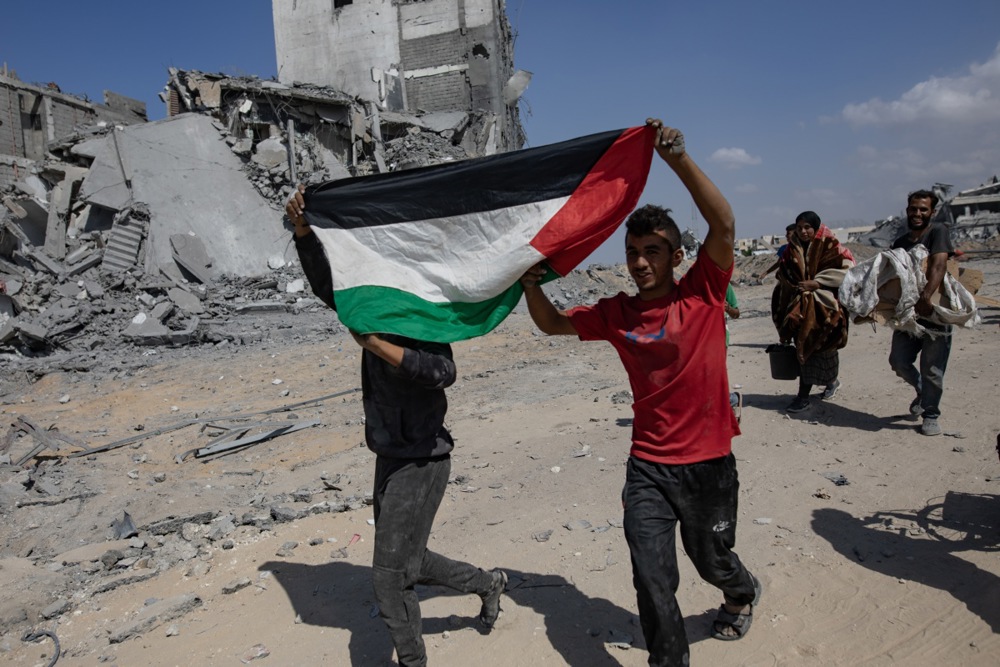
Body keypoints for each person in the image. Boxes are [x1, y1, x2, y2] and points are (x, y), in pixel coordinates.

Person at [520, 119, 760, 666]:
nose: (641, 262)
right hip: (648, 466)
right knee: (652, 578)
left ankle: (740, 591)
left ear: (677, 257)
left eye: (654, 250)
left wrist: (676, 158)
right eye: (633, 251)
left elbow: (722, 222)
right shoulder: (616, 313)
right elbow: (553, 325)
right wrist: (530, 285)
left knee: (712, 560)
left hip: (708, 464)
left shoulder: (702, 292)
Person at [285, 189, 506, 667]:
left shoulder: (421, 312)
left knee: (389, 577)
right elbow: (330, 287)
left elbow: (441, 372)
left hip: (424, 458)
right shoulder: (370, 303)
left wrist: (377, 345)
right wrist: (304, 232)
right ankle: (489, 583)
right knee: (410, 563)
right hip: (389, 454)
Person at [772, 211, 854, 413]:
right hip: (800, 308)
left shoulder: (831, 246)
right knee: (805, 346)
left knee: (823, 347)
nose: (803, 231)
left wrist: (817, 283)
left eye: (807, 227)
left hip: (824, 308)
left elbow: (847, 271)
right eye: (799, 228)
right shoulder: (792, 250)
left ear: (816, 228)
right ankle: (805, 394)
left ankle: (812, 391)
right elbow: (784, 273)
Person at [888, 189, 955, 437]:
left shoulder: (938, 232)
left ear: (932, 212)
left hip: (935, 312)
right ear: (907, 210)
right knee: (898, 361)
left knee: (932, 369)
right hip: (909, 315)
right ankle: (922, 393)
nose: (917, 213)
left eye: (923, 209)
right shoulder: (901, 242)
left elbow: (939, 264)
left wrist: (926, 296)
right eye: (913, 209)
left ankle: (930, 414)